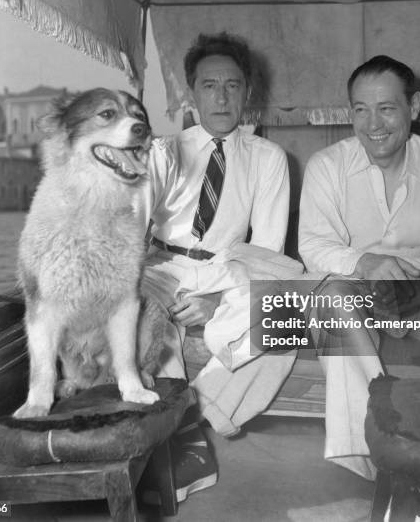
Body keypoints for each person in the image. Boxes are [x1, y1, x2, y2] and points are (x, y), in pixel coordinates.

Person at [298, 54, 420, 482]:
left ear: (415, 106)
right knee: (330, 297)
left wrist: (418, 277)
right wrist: (367, 263)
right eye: (360, 110)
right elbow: (312, 245)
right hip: (360, 291)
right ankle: (372, 449)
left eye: (386, 108)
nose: (373, 124)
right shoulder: (326, 166)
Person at [141, 32, 300, 503]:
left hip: (226, 271)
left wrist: (220, 300)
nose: (222, 96)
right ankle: (182, 442)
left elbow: (267, 253)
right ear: (192, 93)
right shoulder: (163, 152)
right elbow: (130, 233)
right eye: (210, 85)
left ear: (248, 92)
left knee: (288, 323)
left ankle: (188, 418)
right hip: (161, 266)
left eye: (232, 85)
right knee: (143, 316)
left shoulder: (269, 159)